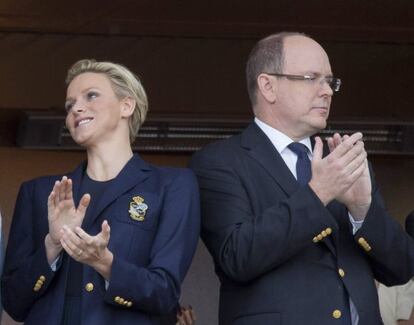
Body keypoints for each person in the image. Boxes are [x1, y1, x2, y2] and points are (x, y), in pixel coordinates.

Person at [190, 32, 414, 324]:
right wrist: (317, 194)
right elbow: (237, 257)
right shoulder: (220, 161)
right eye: (312, 78)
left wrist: (362, 211)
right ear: (268, 86)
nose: (328, 91)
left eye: (330, 81)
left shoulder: (342, 161)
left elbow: (401, 268)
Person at [1, 59, 200, 324]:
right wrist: (53, 245)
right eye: (70, 105)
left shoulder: (171, 186)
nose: (77, 108)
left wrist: (105, 263)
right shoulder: (40, 193)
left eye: (91, 95)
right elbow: (13, 303)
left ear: (126, 106)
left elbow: (164, 293)